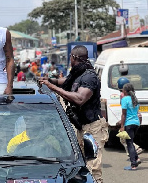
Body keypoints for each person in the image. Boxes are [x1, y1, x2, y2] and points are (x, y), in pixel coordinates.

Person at [39, 45, 108, 183]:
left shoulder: (89, 77)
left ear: (74, 57)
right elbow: (66, 81)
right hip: (81, 126)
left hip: (93, 128)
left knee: (92, 170)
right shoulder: (78, 73)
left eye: (70, 57)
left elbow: (80, 99)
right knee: (80, 169)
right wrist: (50, 81)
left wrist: (53, 88)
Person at [116, 77, 144, 157]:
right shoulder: (133, 95)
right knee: (127, 140)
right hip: (136, 120)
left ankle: (135, 153)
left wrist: (121, 124)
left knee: (125, 139)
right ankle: (134, 156)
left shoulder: (123, 96)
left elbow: (124, 112)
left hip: (128, 121)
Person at [119, 83, 141, 170]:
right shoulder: (135, 99)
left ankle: (133, 165)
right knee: (131, 142)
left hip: (128, 124)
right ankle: (136, 158)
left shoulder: (125, 99)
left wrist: (121, 126)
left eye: (123, 90)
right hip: (136, 123)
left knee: (129, 144)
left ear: (125, 91)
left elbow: (124, 114)